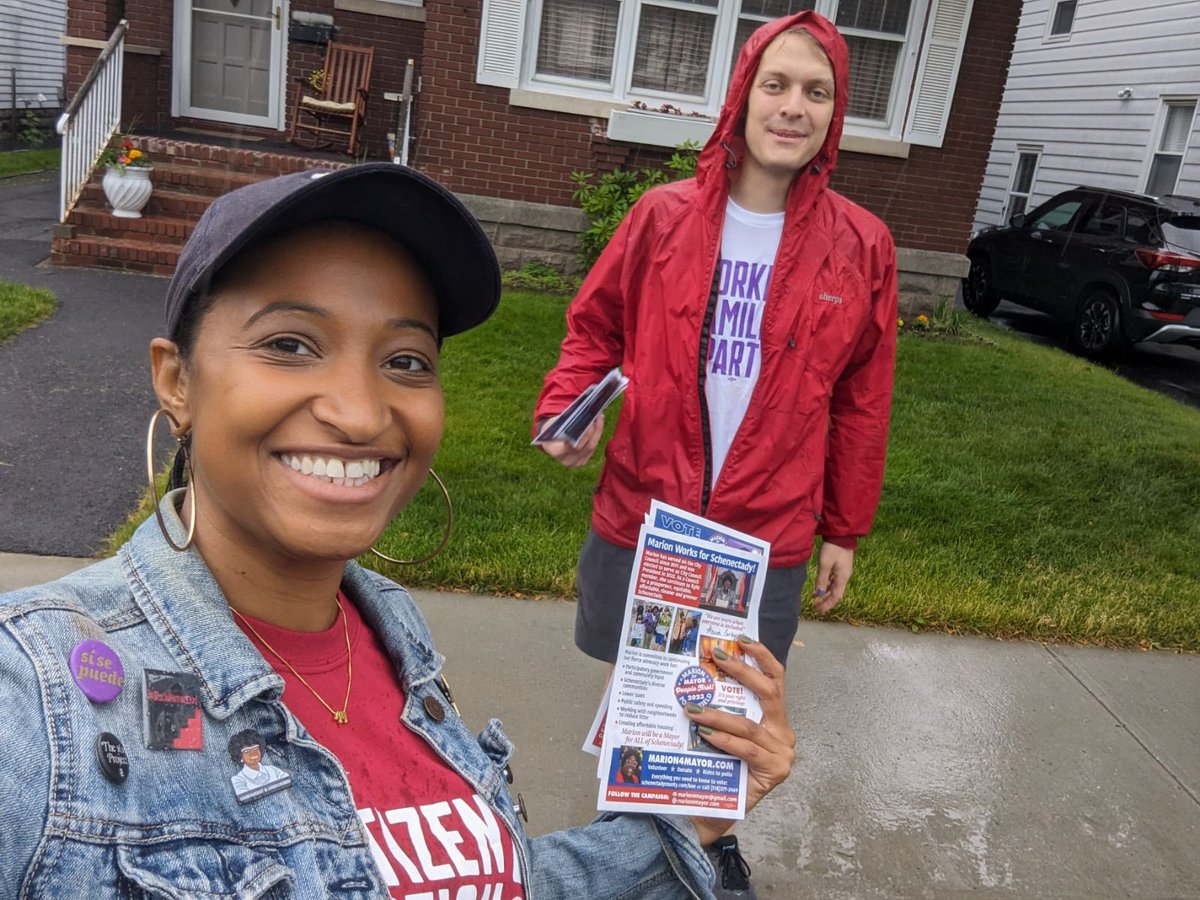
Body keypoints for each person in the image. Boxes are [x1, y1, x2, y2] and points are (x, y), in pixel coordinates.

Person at [0, 164, 797, 898]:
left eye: (406, 360)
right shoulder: (40, 696)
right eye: (289, 344)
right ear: (177, 380)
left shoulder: (391, 631)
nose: (359, 412)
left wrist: (693, 819)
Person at [535, 11, 897, 898]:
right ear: (741, 97)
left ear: (835, 115)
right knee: (645, 687)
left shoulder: (862, 245)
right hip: (647, 513)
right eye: (776, 85)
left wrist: (843, 525)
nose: (793, 107)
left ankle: (708, 846)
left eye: (817, 92)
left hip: (761, 532)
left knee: (734, 708)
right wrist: (565, 413)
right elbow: (593, 331)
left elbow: (861, 397)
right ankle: (625, 842)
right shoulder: (663, 218)